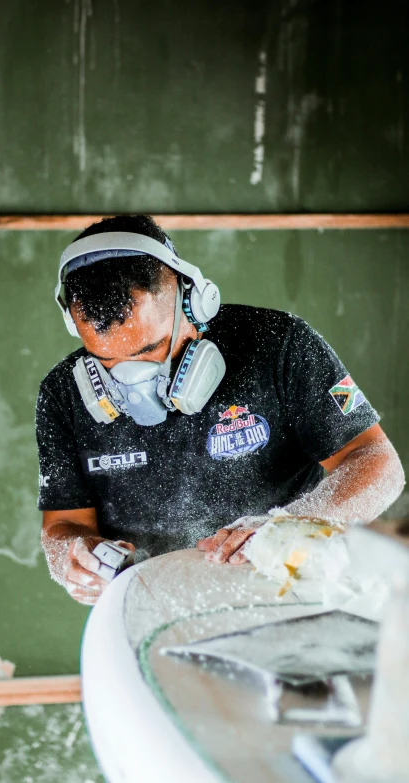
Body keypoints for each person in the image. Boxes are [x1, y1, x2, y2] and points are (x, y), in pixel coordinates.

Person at [36, 214, 405, 605]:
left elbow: (378, 463)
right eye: (107, 360)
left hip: (298, 593)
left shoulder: (280, 345)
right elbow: (65, 524)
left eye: (149, 350)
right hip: (157, 609)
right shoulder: (63, 394)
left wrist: (292, 525)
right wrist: (72, 556)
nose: (132, 379)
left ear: (191, 302)